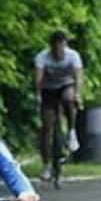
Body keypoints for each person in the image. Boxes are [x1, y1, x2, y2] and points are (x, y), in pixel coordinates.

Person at [33, 31, 84, 168]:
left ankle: (72, 131)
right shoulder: (42, 57)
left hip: (66, 85)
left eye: (60, 49)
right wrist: (38, 96)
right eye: (55, 49)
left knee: (69, 98)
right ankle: (46, 164)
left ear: (65, 45)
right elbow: (38, 79)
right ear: (51, 47)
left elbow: (78, 77)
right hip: (48, 89)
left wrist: (78, 95)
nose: (58, 53)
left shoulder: (73, 56)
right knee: (47, 126)